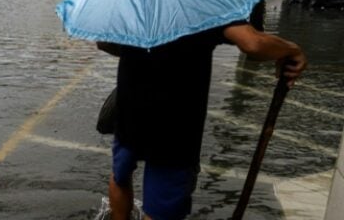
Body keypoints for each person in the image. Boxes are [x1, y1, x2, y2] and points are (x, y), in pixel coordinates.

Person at [97, 21, 307, 220]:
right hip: (176, 124)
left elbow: (104, 42)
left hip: (130, 110)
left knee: (121, 176)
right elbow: (252, 43)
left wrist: (142, 48)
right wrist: (292, 49)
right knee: (161, 207)